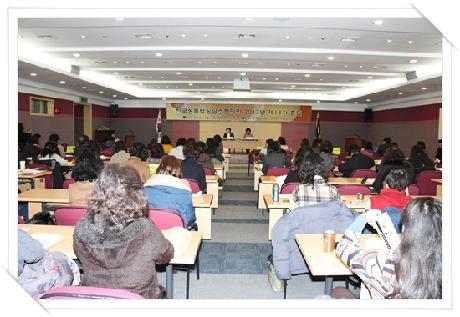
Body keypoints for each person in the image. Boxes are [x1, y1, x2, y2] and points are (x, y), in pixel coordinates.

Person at [74, 164, 174, 299]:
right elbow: (165, 255)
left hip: (95, 300)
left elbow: (79, 256)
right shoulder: (145, 228)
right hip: (139, 300)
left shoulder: (82, 227)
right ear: (137, 194)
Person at [336, 197, 442, 299]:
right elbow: (402, 249)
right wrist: (386, 229)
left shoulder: (381, 263)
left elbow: (343, 247)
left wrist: (361, 219)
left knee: (338, 291)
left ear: (404, 227)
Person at [143, 155, 196, 226]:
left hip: (150, 229)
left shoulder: (144, 188)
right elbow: (189, 218)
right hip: (176, 230)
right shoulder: (184, 189)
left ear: (159, 167)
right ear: (178, 169)